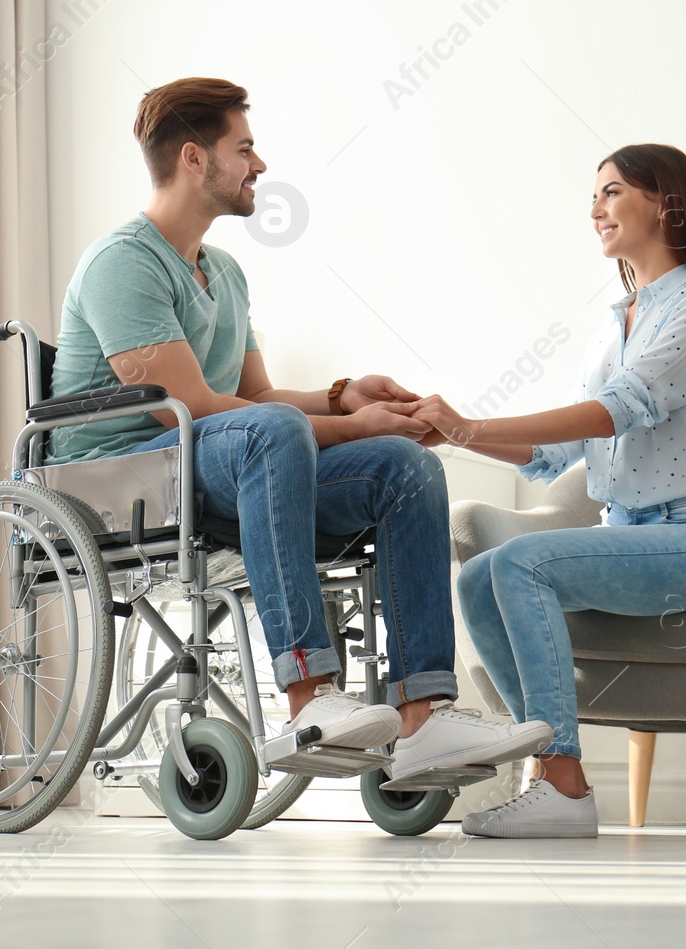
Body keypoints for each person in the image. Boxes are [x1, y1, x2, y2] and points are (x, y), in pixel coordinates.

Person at [45, 76, 550, 779]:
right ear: (195, 159)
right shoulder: (121, 262)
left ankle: (422, 717)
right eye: (244, 148)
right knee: (278, 431)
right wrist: (339, 424)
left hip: (207, 462)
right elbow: (187, 405)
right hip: (119, 473)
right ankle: (309, 696)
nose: (259, 165)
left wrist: (344, 397)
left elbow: (256, 396)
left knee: (403, 468)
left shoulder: (223, 271)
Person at [411, 144, 686, 838]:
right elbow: (558, 450)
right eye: (593, 196)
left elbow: (618, 409)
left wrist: (467, 421)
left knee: (519, 561)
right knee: (478, 578)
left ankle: (563, 783)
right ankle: (549, 771)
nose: (595, 208)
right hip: (629, 533)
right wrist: (451, 432)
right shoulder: (615, 324)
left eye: (611, 191)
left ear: (667, 203)